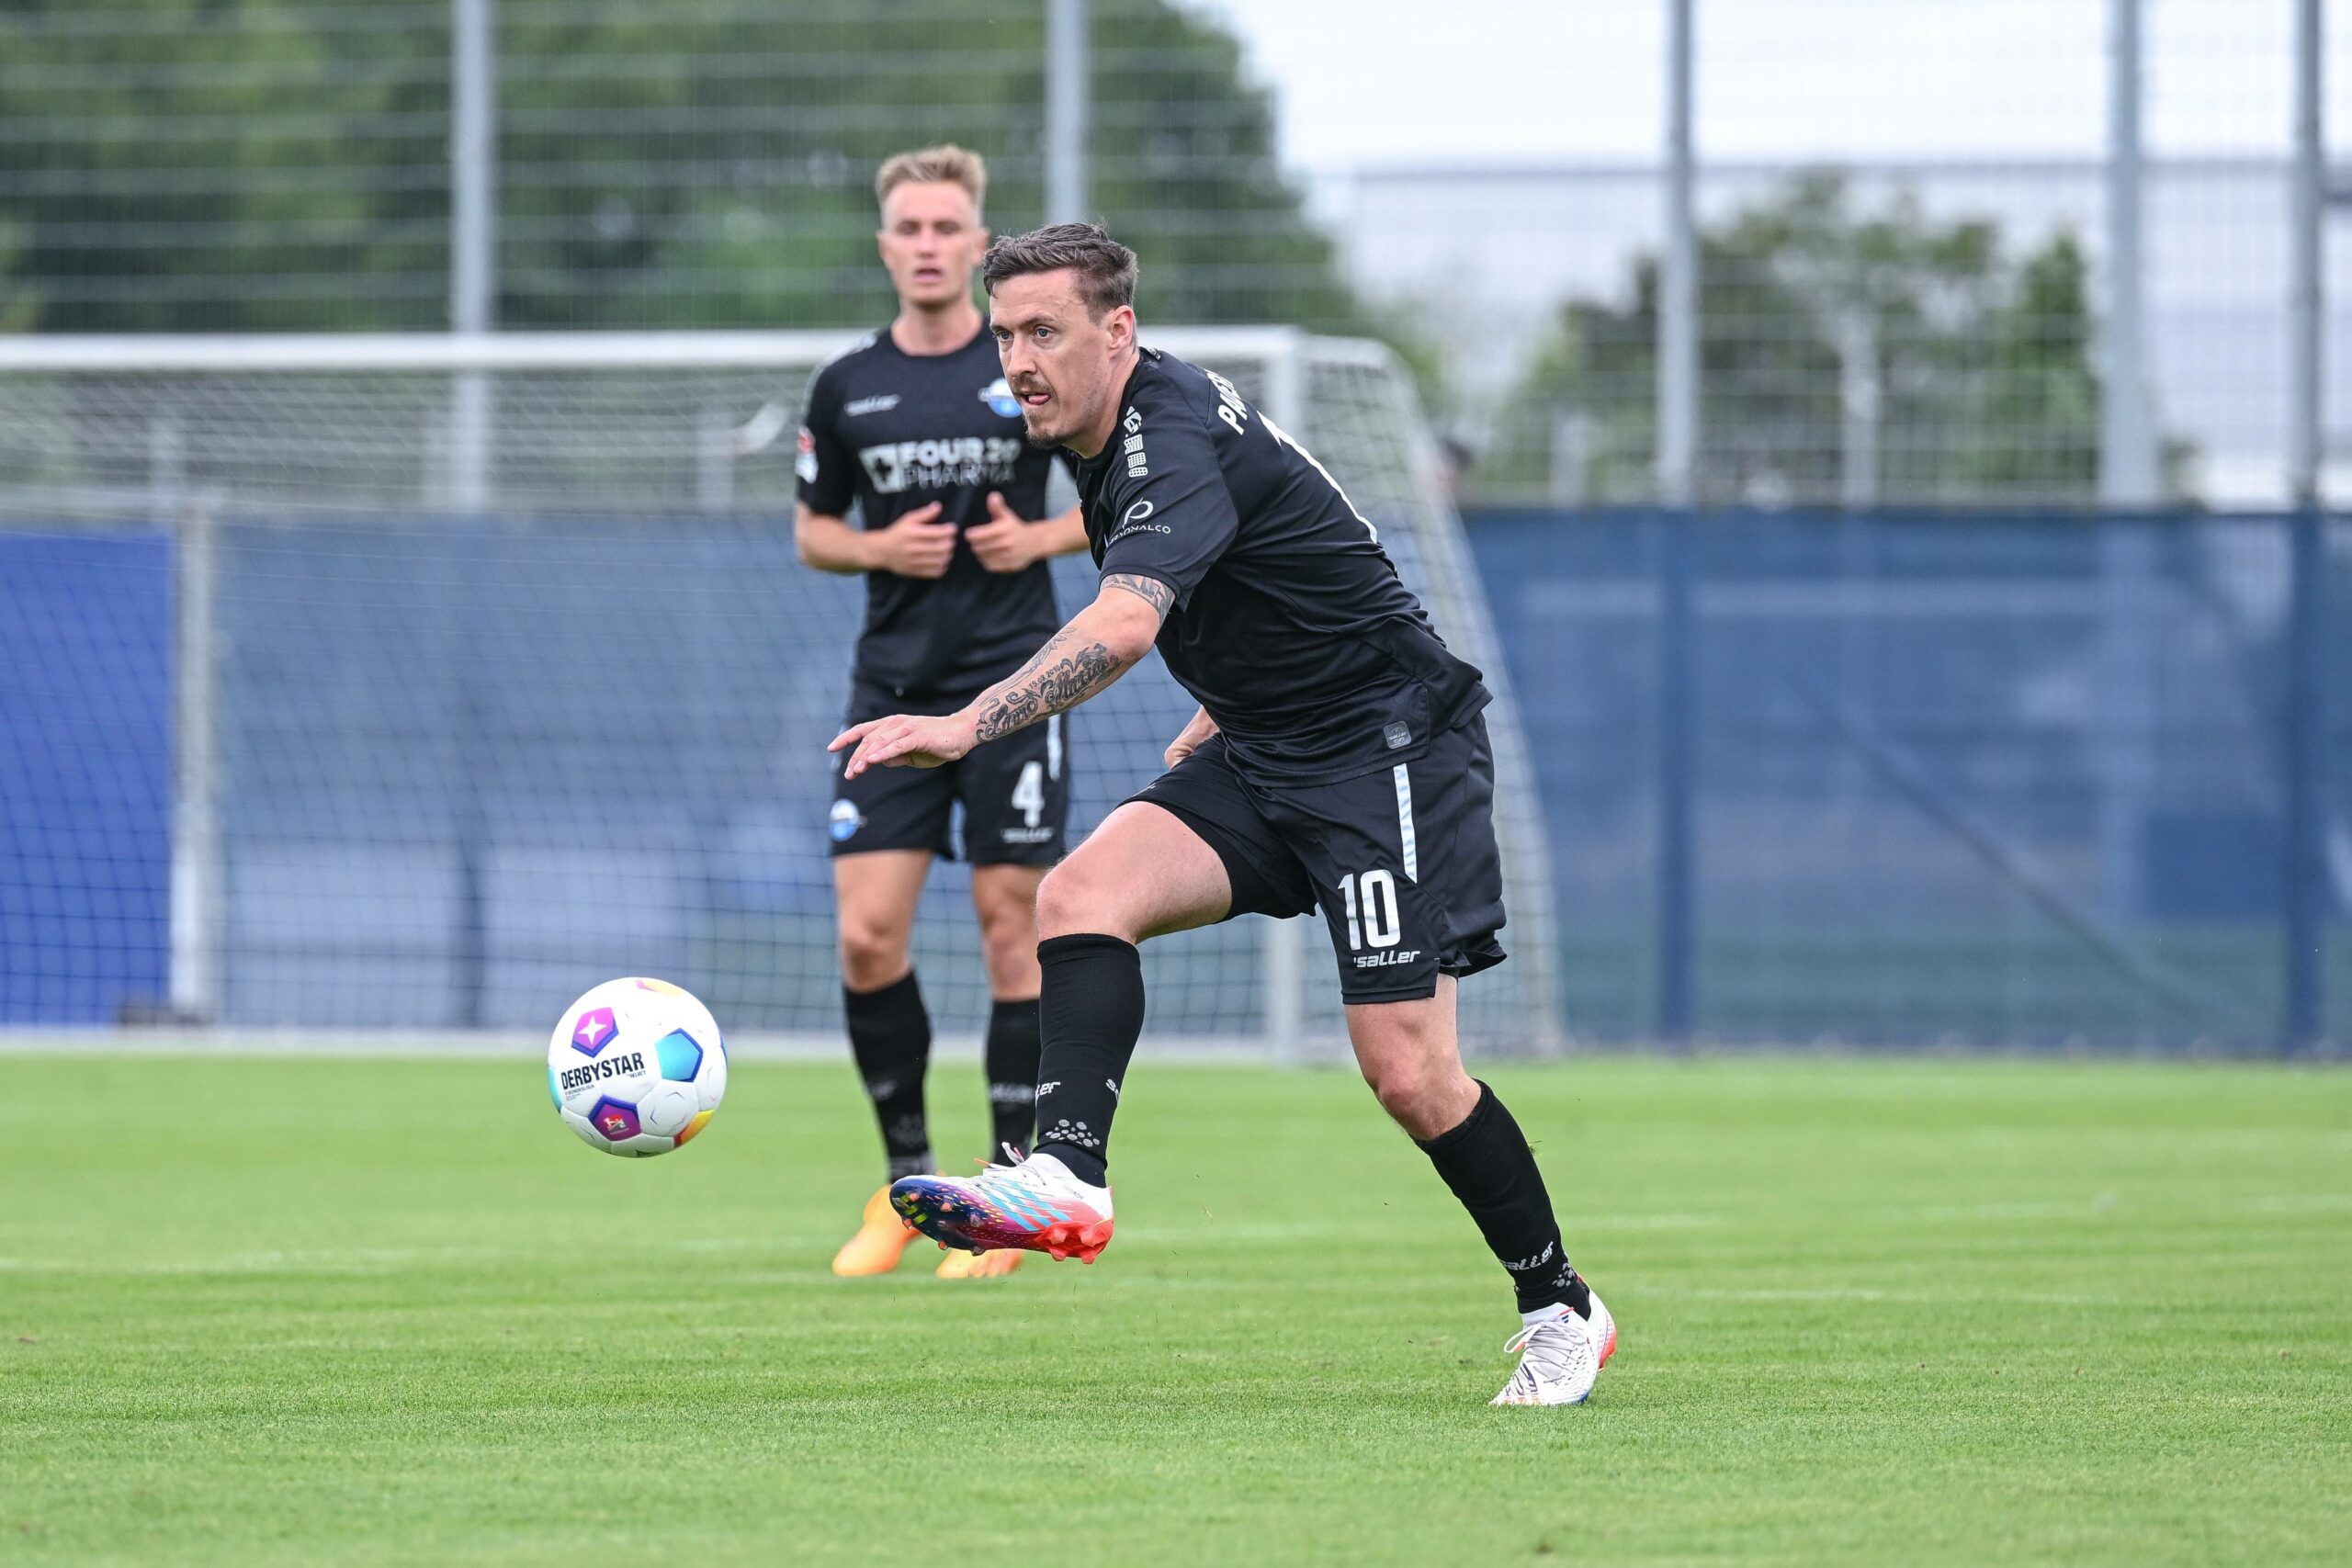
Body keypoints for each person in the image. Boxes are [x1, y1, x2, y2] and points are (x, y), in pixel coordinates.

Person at [831, 223, 1616, 1404]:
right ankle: (1069, 1176)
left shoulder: (1167, 431)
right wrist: (1227, 702)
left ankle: (1562, 1306)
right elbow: (1274, 569)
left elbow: (1125, 625)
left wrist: (962, 723)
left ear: (1119, 329)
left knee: (1407, 1073)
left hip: (1383, 748)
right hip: (1263, 741)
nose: (1019, 359)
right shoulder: (1090, 437)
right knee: (1081, 893)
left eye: (1045, 330)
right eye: (1005, 335)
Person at [795, 149, 1090, 1280]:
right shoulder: (847, 387)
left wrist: (1041, 538)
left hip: (1014, 684)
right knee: (868, 936)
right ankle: (907, 1189)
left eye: (946, 225)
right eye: (908, 225)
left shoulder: (1022, 365)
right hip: (891, 694)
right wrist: (877, 546)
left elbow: (1113, 491)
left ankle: (1007, 1196)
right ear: (886, 245)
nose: (926, 242)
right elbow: (812, 531)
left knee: (1014, 924)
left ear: (977, 245)